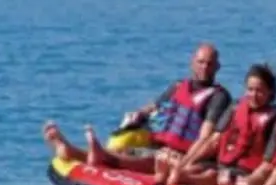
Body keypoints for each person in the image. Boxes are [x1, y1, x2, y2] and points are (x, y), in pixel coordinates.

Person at [42, 43, 231, 174]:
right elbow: (153, 107)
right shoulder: (178, 86)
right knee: (127, 152)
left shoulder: (218, 96)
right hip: (159, 145)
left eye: (209, 63)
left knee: (146, 160)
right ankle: (80, 152)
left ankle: (74, 152)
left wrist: (186, 162)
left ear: (218, 67)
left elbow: (205, 137)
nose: (204, 67)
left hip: (181, 154)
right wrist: (138, 115)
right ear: (192, 62)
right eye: (200, 62)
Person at [155, 63, 276, 185]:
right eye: (250, 89)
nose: (253, 95)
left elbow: (268, 164)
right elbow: (214, 141)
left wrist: (249, 183)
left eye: (259, 91)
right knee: (196, 168)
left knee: (213, 175)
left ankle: (180, 178)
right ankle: (176, 175)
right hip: (223, 164)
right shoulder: (235, 108)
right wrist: (188, 162)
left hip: (247, 171)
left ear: (270, 92)